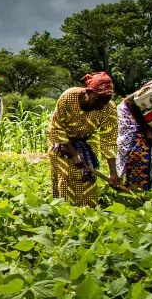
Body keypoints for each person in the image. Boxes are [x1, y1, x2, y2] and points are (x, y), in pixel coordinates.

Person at [48, 72, 120, 207]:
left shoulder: (109, 108)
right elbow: (55, 128)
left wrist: (113, 173)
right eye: (98, 101)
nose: (101, 106)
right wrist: (74, 153)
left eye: (106, 102)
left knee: (87, 177)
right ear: (88, 92)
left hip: (87, 142)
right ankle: (65, 212)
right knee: (66, 176)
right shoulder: (69, 96)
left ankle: (87, 211)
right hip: (62, 141)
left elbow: (109, 139)